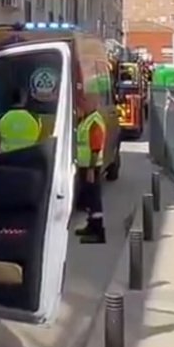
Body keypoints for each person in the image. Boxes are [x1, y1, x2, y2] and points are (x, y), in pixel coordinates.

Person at [73, 92, 108, 244]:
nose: (81, 105)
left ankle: (98, 232)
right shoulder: (86, 119)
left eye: (84, 102)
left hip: (91, 166)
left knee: (94, 199)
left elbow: (95, 148)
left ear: (93, 104)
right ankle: (91, 226)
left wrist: (91, 170)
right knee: (88, 198)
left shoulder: (94, 122)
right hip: (84, 165)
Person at [0, 88, 41, 154]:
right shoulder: (34, 118)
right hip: (29, 157)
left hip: (6, 157)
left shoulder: (3, 117)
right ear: (24, 99)